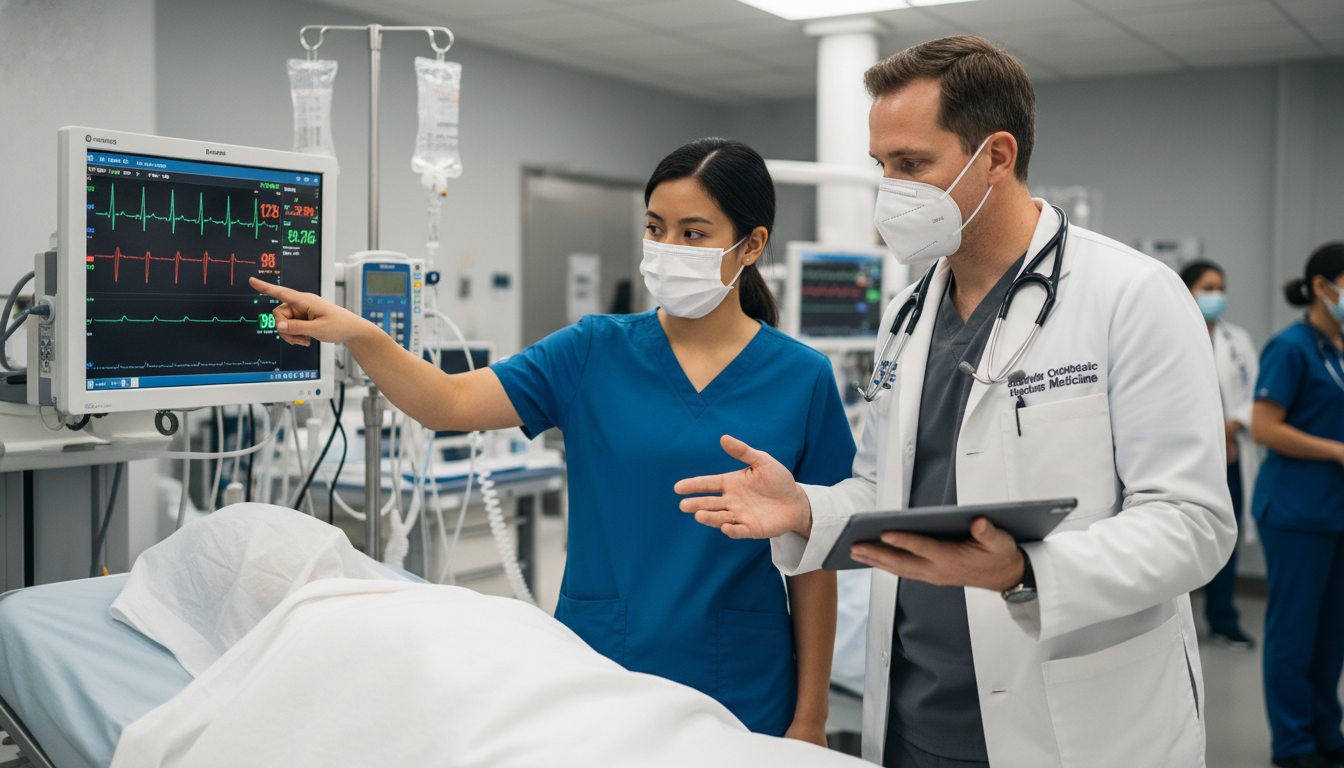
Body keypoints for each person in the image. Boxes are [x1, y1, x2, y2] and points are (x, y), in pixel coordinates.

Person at [675, 36, 1235, 768]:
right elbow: (885, 490)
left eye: (911, 165)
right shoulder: (908, 313)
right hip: (913, 711)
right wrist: (806, 509)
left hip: (1071, 721)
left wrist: (1025, 570)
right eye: (882, 167)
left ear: (996, 157)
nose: (890, 191)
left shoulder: (1131, 295)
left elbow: (1192, 524)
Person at [248, 138, 855, 744]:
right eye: (655, 227)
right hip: (601, 662)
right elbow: (447, 403)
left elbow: (815, 556)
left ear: (751, 245)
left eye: (694, 234)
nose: (668, 249)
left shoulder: (800, 378)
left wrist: (812, 716)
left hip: (741, 678)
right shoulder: (593, 349)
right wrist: (361, 335)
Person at [1249, 243, 1344, 768]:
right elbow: (1265, 427)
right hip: (1296, 512)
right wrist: (1335, 450)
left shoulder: (1341, 348)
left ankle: (1327, 730)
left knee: (1332, 632)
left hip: (1335, 511)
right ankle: (1293, 742)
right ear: (1321, 287)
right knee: (1294, 633)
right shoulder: (1290, 348)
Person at [1180, 260, 1259, 651]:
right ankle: (1180, 624)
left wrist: (1232, 426)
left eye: (1220, 287)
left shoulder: (1236, 339)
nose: (1216, 296)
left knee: (1225, 538)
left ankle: (1223, 619)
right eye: (1208, 287)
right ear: (1187, 289)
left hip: (1230, 453)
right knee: (1180, 538)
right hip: (1188, 455)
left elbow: (1255, 396)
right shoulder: (1171, 332)